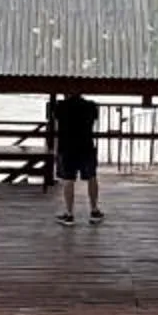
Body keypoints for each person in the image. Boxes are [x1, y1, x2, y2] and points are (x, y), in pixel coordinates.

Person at [48, 90, 103, 223]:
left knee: (68, 180)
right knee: (92, 177)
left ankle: (69, 214)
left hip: (67, 147)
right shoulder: (90, 106)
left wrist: (55, 148)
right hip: (86, 146)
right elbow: (94, 121)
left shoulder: (60, 107)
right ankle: (94, 211)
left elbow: (54, 124)